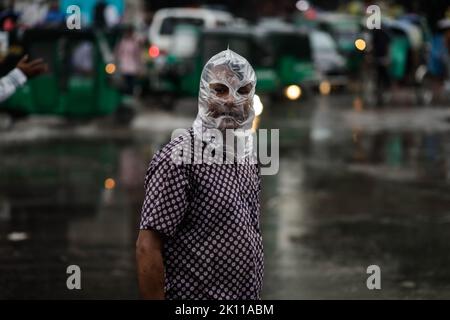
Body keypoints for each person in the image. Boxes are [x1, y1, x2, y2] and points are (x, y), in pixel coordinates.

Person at [136, 49, 263, 300]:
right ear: (204, 94)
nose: (231, 100)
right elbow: (147, 247)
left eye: (243, 90)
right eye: (220, 89)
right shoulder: (179, 159)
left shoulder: (249, 156)